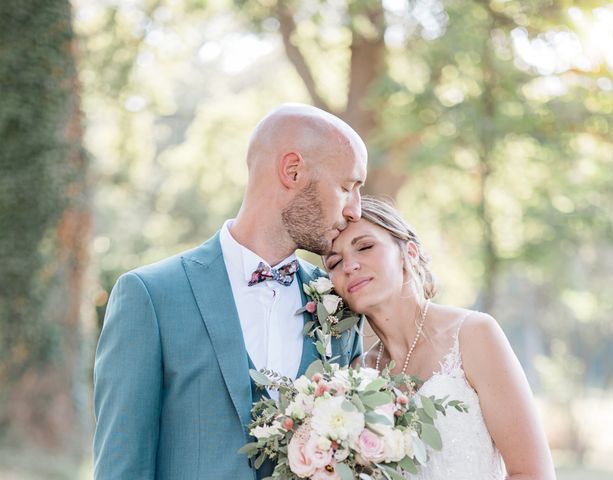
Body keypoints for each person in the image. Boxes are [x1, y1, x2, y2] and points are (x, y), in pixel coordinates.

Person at [93, 104, 368, 479]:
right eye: (347, 187)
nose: (355, 210)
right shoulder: (150, 297)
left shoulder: (340, 307)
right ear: (293, 171)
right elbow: (122, 466)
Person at [324, 196, 556, 480]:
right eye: (334, 262)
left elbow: (533, 473)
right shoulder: (355, 377)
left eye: (365, 247)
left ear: (408, 253)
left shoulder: (474, 335)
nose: (349, 266)